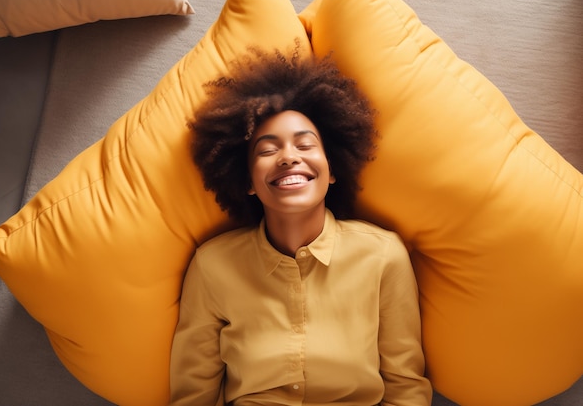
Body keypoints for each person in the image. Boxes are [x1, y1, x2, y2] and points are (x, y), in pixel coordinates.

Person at [169, 43, 432, 405]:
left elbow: (405, 387)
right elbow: (193, 394)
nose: (289, 157)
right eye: (267, 150)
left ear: (333, 169)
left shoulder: (384, 256)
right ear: (246, 181)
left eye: (305, 145)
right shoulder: (212, 266)